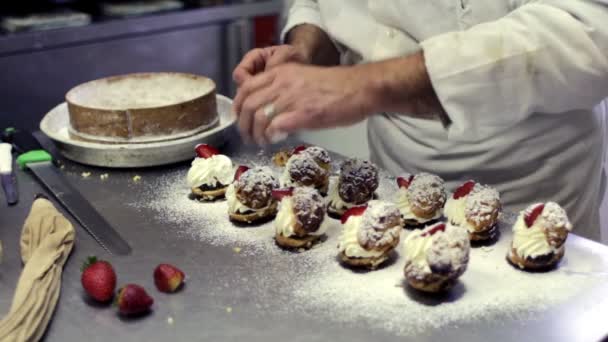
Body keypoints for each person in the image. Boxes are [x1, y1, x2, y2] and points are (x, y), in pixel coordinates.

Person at [232, 0, 608, 241]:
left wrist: (370, 84)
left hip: (538, 188)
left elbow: (591, 32)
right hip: (396, 183)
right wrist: (307, 48)